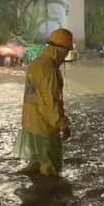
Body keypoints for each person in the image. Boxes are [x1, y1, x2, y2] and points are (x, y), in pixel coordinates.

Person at [14, 28, 75, 176]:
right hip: (44, 128)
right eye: (67, 51)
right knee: (50, 173)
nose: (67, 55)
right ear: (61, 50)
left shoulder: (37, 64)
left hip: (30, 125)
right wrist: (62, 124)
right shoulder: (49, 69)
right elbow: (50, 102)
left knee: (36, 168)